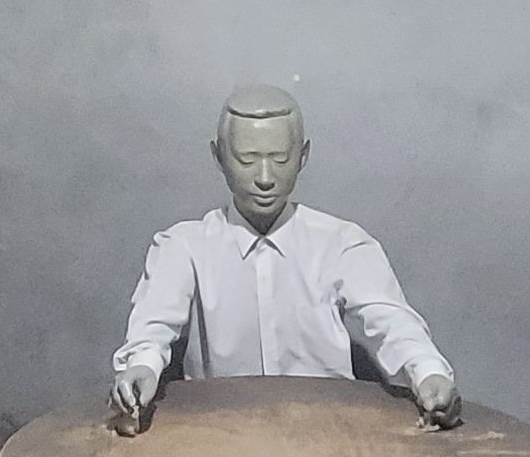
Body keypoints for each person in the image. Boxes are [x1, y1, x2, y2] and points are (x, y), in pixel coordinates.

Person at [108, 86, 460, 435]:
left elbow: (392, 322)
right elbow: (153, 325)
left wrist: (428, 372)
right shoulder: (184, 246)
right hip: (219, 435)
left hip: (329, 434)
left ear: (303, 156)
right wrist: (142, 367)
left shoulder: (342, 244)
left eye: (280, 159)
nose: (265, 178)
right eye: (247, 159)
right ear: (218, 157)